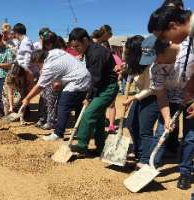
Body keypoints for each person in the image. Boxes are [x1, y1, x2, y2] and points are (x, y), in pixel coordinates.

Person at [148, 6, 194, 189]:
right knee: (162, 131)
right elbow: (160, 94)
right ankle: (152, 164)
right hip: (176, 97)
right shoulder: (156, 68)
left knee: (190, 136)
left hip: (189, 96)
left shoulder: (187, 47)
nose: (156, 62)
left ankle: (185, 172)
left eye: (163, 37)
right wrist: (167, 118)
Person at [68, 28, 119, 155]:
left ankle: (81, 144)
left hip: (107, 88)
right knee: (98, 118)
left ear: (85, 40)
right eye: (73, 47)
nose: (75, 49)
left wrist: (89, 97)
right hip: (101, 86)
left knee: (88, 115)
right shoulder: (90, 51)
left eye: (77, 46)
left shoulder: (96, 53)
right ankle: (100, 147)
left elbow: (94, 79)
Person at [22, 49, 91, 141]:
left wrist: (27, 98)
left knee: (63, 105)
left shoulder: (49, 66)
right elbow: (64, 67)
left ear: (39, 60)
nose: (37, 67)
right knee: (78, 105)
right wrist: (59, 82)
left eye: (36, 64)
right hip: (84, 76)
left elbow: (40, 86)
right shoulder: (54, 52)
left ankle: (58, 133)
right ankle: (83, 131)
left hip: (77, 81)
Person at [123, 35, 159, 168]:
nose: (126, 53)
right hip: (139, 96)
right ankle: (137, 150)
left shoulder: (151, 64)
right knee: (131, 123)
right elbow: (130, 78)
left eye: (128, 51)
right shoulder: (134, 63)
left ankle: (145, 159)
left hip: (153, 98)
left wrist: (133, 98)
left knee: (145, 129)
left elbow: (151, 88)